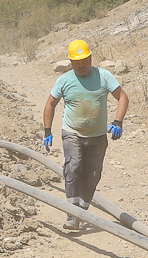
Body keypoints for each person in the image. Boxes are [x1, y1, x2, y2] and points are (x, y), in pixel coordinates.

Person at [41, 39, 126, 229]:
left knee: (93, 173)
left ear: (90, 58)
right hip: (72, 132)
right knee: (73, 167)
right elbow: (50, 104)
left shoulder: (103, 76)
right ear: (71, 63)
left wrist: (118, 121)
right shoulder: (64, 80)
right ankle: (72, 214)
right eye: (76, 63)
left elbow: (122, 97)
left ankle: (82, 210)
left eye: (84, 61)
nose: (81, 66)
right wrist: (47, 130)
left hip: (97, 136)